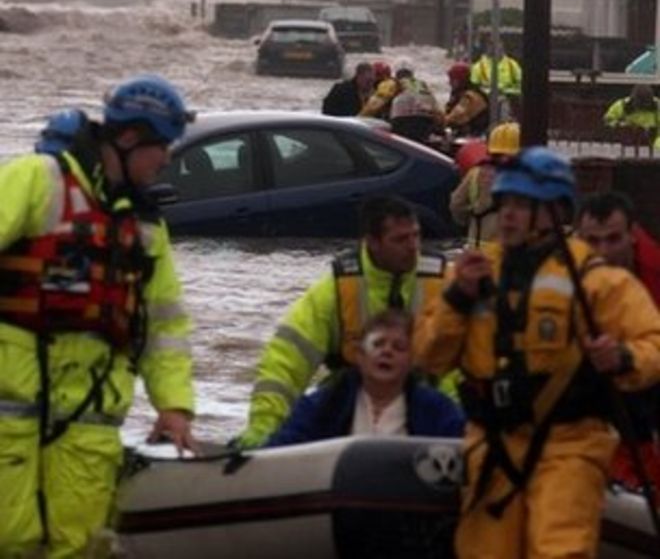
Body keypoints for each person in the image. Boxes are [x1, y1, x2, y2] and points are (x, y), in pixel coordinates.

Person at [414, 147, 660, 559]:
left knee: (559, 548)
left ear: (552, 212)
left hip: (569, 445)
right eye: (505, 203)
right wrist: (457, 301)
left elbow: (653, 342)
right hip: (491, 446)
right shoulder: (472, 273)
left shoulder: (595, 281)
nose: (508, 214)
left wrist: (621, 358)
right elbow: (426, 359)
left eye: (522, 205)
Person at [0, 74, 197, 559]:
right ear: (128, 138)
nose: (167, 158)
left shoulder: (146, 228)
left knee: (81, 547)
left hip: (91, 418)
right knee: (11, 538)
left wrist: (174, 406)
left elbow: (165, 326)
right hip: (9, 407)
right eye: (162, 146)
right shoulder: (37, 178)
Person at [238, 195, 450, 448]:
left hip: (428, 407)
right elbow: (285, 362)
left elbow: (462, 368)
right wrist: (262, 430)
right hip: (350, 404)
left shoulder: (445, 282)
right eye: (400, 239)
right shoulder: (336, 290)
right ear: (372, 242)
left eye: (416, 236)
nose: (413, 246)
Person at [266, 309, 465, 446]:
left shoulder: (438, 409)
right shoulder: (325, 403)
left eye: (399, 347)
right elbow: (280, 448)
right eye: (378, 344)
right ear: (360, 355)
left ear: (413, 360)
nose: (387, 352)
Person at [577, 191, 660, 494]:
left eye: (614, 239)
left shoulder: (654, 273)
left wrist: (625, 357)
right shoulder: (564, 276)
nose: (603, 251)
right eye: (593, 242)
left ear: (632, 235)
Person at [450, 122, 520, 245]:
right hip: (509, 251)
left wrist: (471, 220)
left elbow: (456, 205)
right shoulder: (526, 179)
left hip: (477, 247)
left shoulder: (475, 173)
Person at [389, 67, 444, 143]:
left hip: (402, 122)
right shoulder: (422, 84)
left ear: (397, 76)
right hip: (425, 122)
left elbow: (376, 104)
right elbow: (437, 109)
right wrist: (441, 127)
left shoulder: (395, 82)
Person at [443, 62, 489, 137]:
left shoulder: (471, 97)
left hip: (474, 136)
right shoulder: (460, 93)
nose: (450, 83)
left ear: (461, 80)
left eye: (452, 79)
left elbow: (454, 118)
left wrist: (438, 120)